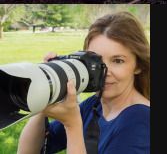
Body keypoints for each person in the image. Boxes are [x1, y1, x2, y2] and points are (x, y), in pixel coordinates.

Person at [17, 12, 150, 154]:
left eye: (118, 61)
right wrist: (47, 94)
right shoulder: (94, 106)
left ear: (138, 65)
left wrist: (72, 125)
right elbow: (29, 151)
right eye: (96, 61)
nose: (104, 72)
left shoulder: (141, 120)